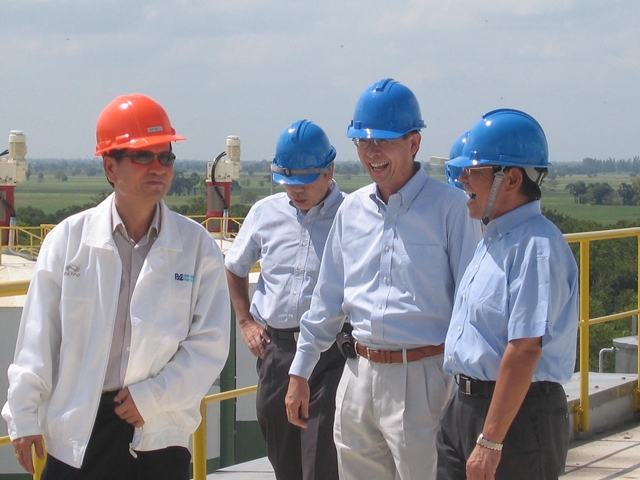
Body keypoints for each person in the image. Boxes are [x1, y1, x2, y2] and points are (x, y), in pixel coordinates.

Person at [2, 93, 230, 480]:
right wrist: (23, 415)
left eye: (165, 157)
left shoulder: (197, 248)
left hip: (158, 430)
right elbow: (39, 339)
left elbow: (210, 343)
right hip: (78, 430)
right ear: (110, 166)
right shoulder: (67, 242)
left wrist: (153, 397)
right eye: (143, 156)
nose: (158, 168)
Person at [285, 78, 482, 479]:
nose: (371, 153)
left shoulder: (451, 209)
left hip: (425, 378)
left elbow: (471, 305)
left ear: (414, 143)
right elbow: (327, 300)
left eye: (383, 141)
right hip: (358, 374)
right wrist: (300, 371)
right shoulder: (352, 210)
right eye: (362, 142)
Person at [436, 109, 579, 480]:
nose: (462, 179)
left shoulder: (536, 247)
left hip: (516, 419)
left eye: (474, 171)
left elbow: (525, 349)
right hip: (466, 407)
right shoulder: (494, 240)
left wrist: (490, 442)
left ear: (512, 178)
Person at [225, 119, 347, 480]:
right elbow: (234, 266)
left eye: (306, 181)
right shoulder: (265, 212)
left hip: (331, 356)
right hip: (276, 353)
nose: (297, 191)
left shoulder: (353, 215)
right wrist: (245, 322)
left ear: (329, 171)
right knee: (285, 460)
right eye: (289, 182)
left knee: (321, 460)